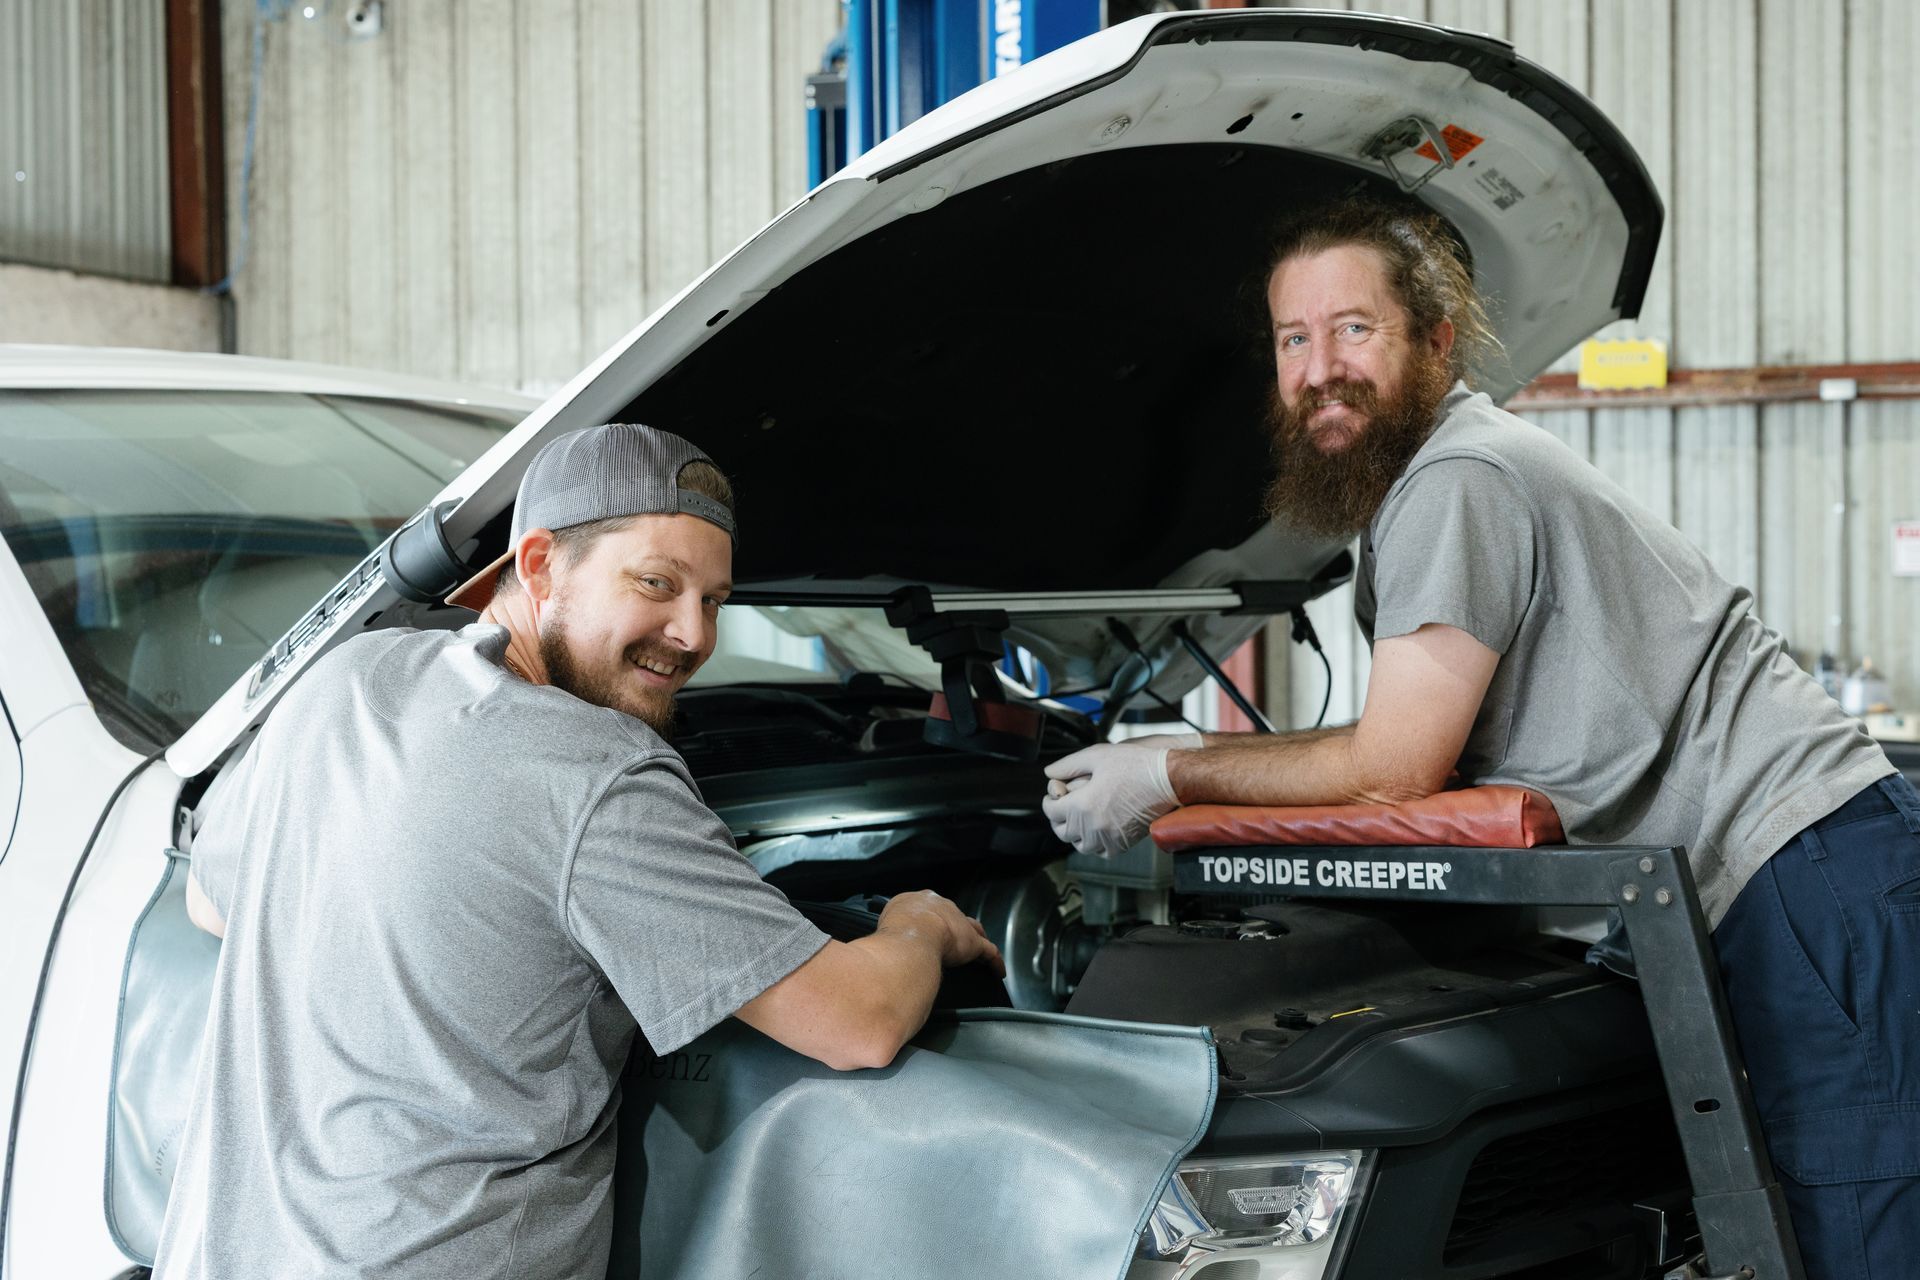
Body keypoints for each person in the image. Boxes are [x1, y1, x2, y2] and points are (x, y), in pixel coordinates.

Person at [1041, 199, 1917, 1279]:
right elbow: (1416, 750)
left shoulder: (1458, 479)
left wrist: (1162, 768)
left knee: (1859, 1236)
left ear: (1437, 340)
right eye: (1293, 339)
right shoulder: (1437, 480)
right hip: (1772, 877)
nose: (1321, 368)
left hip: (1800, 871)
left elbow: (1393, 764)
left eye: (1355, 327)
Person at [156, 424, 1002, 1279]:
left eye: (713, 600)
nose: (692, 633)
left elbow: (211, 901)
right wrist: (918, 925)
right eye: (656, 584)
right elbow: (856, 1023)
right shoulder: (600, 774)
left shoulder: (346, 681)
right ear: (539, 565)